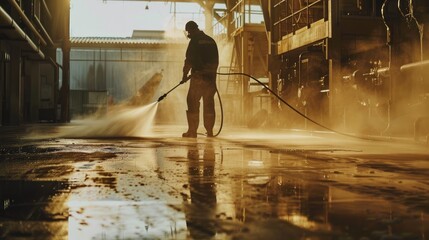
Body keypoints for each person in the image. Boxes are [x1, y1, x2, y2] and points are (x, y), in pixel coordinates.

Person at [181, 21, 219, 138]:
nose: (188, 34)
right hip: (211, 78)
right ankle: (210, 131)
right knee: (208, 103)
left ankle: (192, 131)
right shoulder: (211, 40)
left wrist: (184, 75)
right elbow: (216, 61)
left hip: (198, 78)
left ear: (191, 30)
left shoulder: (195, 41)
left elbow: (189, 60)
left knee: (192, 102)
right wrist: (210, 72)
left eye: (188, 32)